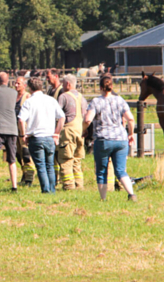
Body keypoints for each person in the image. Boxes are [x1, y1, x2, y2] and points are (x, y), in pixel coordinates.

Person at [84, 74, 137, 202]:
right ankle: (131, 194)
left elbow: (87, 119)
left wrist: (83, 130)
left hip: (103, 140)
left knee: (102, 171)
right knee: (120, 170)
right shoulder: (120, 100)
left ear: (100, 87)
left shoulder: (96, 102)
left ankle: (103, 199)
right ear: (111, 86)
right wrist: (130, 134)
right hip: (120, 139)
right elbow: (130, 118)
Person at [18, 77, 64, 193]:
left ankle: (46, 190)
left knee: (41, 166)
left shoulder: (29, 101)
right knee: (50, 166)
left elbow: (21, 120)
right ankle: (52, 190)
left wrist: (23, 134)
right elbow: (62, 117)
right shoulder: (51, 100)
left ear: (29, 87)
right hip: (49, 137)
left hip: (36, 138)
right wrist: (56, 133)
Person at [55, 75, 86, 190]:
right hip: (80, 131)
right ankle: (79, 185)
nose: (62, 87)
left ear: (68, 84)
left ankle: (68, 186)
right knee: (77, 161)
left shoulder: (63, 96)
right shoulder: (82, 97)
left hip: (68, 131)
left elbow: (57, 114)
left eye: (63, 84)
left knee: (66, 159)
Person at [14, 75, 36, 186]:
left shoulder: (27, 97)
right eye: (15, 83)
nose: (16, 85)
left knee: (26, 154)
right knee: (18, 155)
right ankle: (24, 174)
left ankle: (29, 178)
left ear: (24, 85)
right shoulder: (14, 97)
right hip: (15, 131)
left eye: (18, 83)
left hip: (24, 130)